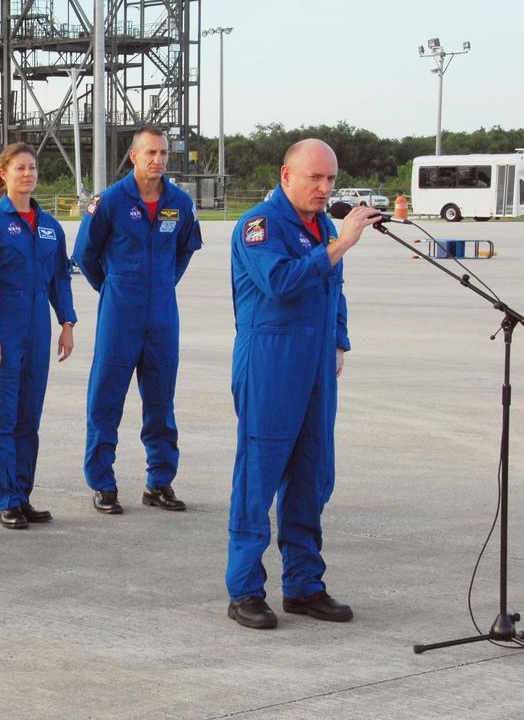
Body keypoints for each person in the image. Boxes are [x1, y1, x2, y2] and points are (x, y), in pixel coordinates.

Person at [225, 139, 381, 630]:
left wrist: (339, 340)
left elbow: (335, 289)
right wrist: (340, 245)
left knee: (313, 475)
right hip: (271, 360)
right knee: (260, 477)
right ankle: (245, 590)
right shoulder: (260, 225)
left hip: (315, 362)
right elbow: (281, 282)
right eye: (315, 178)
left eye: (331, 179)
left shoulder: (324, 226)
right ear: (286, 175)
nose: (325, 188)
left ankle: (304, 584)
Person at [72, 124, 202, 516]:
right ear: (134, 156)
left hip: (162, 313)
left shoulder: (179, 202)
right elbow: (85, 255)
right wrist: (114, 287)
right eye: (150, 153)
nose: (158, 160)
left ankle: (159, 481)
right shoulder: (109, 201)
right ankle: (103, 483)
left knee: (161, 401)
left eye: (163, 153)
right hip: (119, 313)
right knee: (106, 399)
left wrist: (161, 284)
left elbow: (184, 251)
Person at [0, 144, 77, 528]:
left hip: (38, 330)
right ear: (3, 174)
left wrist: (67, 323)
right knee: (1, 416)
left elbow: (60, 277)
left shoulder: (49, 227)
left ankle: (23, 494)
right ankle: (5, 498)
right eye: (19, 168)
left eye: (32, 168)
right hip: (2, 328)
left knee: (28, 418)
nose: (28, 174)